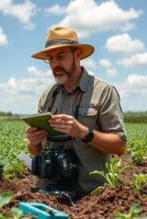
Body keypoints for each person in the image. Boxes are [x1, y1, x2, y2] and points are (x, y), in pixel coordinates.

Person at [26, 26, 127, 198]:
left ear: (78, 54)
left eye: (60, 56)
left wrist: (83, 132)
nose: (55, 64)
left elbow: (120, 145)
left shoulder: (102, 92)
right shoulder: (48, 95)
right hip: (47, 193)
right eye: (50, 59)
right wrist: (34, 142)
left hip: (89, 198)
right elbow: (35, 151)